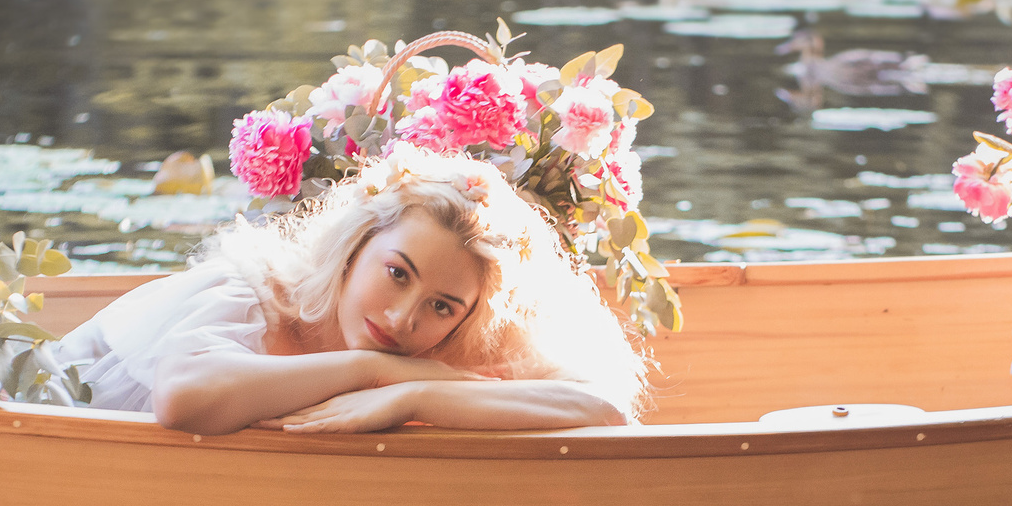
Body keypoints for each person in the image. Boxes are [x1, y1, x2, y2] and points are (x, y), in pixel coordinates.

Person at [53, 147, 650, 434]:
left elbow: (606, 407)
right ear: (356, 245)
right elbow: (186, 398)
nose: (401, 318)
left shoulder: (450, 347)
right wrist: (373, 371)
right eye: (397, 272)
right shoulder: (252, 292)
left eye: (441, 306)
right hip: (17, 426)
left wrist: (415, 398)